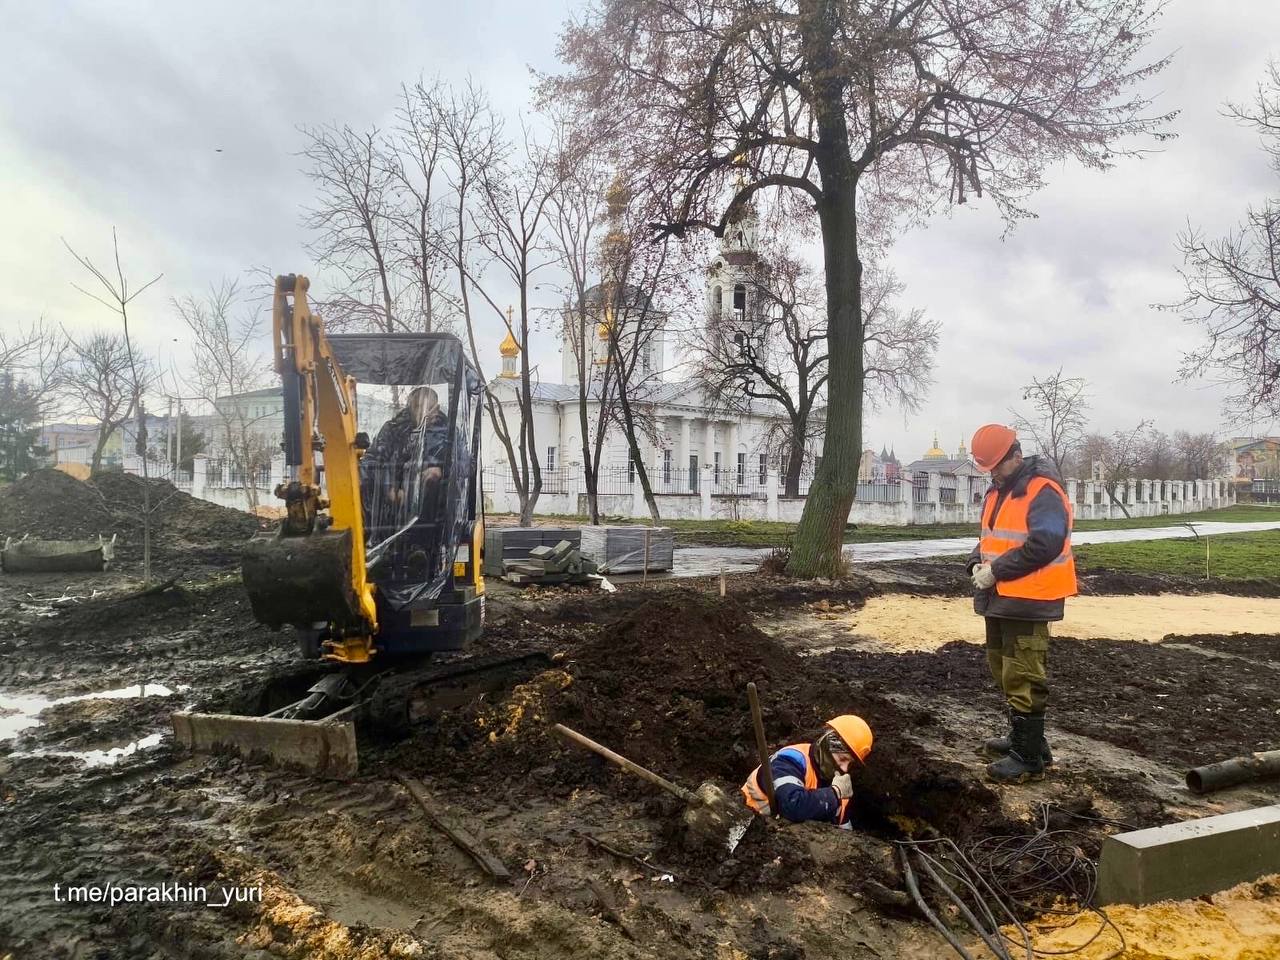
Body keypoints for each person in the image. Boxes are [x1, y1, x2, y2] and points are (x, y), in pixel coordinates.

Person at [967, 424, 1077, 785]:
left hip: (1030, 598)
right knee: (1002, 668)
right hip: (1001, 598)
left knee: (1024, 674)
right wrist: (975, 562)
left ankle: (1029, 758)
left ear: (1016, 454)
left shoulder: (1041, 491)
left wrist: (996, 571)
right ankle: (1028, 741)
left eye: (998, 466)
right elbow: (992, 538)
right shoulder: (1001, 490)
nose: (993, 473)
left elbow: (1045, 543)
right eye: (989, 469)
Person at [741, 715, 873, 827]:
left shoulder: (841, 787)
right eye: (842, 758)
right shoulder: (790, 760)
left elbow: (847, 835)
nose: (844, 768)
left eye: (850, 764)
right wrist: (834, 793)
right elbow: (793, 806)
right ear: (827, 743)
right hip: (747, 828)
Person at [360, 386, 449, 534]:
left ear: (437, 408)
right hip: (387, 510)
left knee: (433, 479)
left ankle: (424, 544)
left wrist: (442, 470)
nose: (422, 413)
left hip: (432, 513)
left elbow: (466, 464)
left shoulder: (448, 434)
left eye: (427, 407)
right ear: (409, 407)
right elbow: (372, 459)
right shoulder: (393, 429)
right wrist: (389, 487)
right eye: (417, 407)